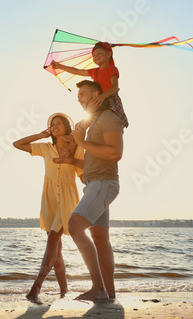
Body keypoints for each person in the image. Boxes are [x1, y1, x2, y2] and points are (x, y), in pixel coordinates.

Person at [55, 80, 124, 301]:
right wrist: (71, 160)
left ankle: (98, 288)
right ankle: (109, 292)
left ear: (97, 95)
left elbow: (115, 154)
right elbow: (94, 161)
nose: (78, 98)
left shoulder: (109, 119)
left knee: (75, 226)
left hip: (103, 184)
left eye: (83, 94)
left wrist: (81, 143)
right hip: (95, 183)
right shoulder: (93, 123)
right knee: (100, 238)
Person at [13, 113, 84, 301]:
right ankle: (64, 291)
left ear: (67, 127)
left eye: (59, 123)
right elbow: (17, 144)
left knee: (53, 239)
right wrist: (39, 135)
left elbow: (83, 172)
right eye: (52, 124)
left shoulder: (75, 149)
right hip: (49, 199)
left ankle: (36, 286)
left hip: (67, 199)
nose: (54, 126)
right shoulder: (45, 148)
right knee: (56, 249)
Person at [51, 42, 129, 129]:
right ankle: (83, 128)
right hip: (99, 99)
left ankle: (84, 126)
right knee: (90, 110)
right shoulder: (95, 71)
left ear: (108, 54)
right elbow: (77, 71)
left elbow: (114, 86)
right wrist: (59, 66)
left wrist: (102, 96)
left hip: (110, 98)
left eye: (99, 53)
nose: (96, 56)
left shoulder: (111, 69)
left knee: (91, 109)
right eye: (94, 55)